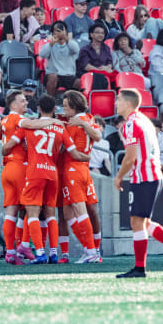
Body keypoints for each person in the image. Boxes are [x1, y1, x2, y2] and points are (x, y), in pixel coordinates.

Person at [113, 89, 163, 278]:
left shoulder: (131, 124)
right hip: (151, 174)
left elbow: (130, 157)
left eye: (119, 99)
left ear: (128, 104)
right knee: (142, 222)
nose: (115, 102)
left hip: (145, 176)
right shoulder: (143, 120)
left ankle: (140, 268)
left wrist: (119, 176)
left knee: (137, 222)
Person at [4, 95, 90, 264]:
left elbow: (7, 147)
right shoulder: (60, 129)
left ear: (38, 109)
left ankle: (40, 253)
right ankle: (53, 253)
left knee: (32, 213)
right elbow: (74, 153)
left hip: (35, 173)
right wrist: (87, 157)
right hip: (53, 174)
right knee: (51, 215)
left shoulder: (28, 127)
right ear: (54, 110)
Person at [0, 91, 64, 264]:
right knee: (31, 208)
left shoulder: (3, 120)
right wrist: (53, 120)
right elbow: (32, 125)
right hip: (21, 167)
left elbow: (0, 140)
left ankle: (11, 252)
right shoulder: (17, 120)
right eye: (22, 101)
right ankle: (24, 244)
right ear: (13, 104)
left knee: (11, 211)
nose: (26, 103)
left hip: (7, 168)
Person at [59, 90, 104, 263]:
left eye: (65, 106)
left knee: (79, 210)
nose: (64, 110)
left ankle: (91, 251)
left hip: (73, 169)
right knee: (68, 212)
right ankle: (90, 250)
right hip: (84, 169)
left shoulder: (73, 125)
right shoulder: (89, 118)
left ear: (74, 105)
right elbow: (98, 135)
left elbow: (64, 148)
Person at [39, 21, 80, 95]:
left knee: (79, 83)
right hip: (53, 75)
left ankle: (75, 103)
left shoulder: (71, 44)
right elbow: (42, 55)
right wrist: (51, 44)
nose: (59, 33)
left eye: (61, 31)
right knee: (52, 77)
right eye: (56, 31)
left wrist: (65, 38)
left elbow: (76, 50)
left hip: (69, 75)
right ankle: (50, 102)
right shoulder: (49, 45)